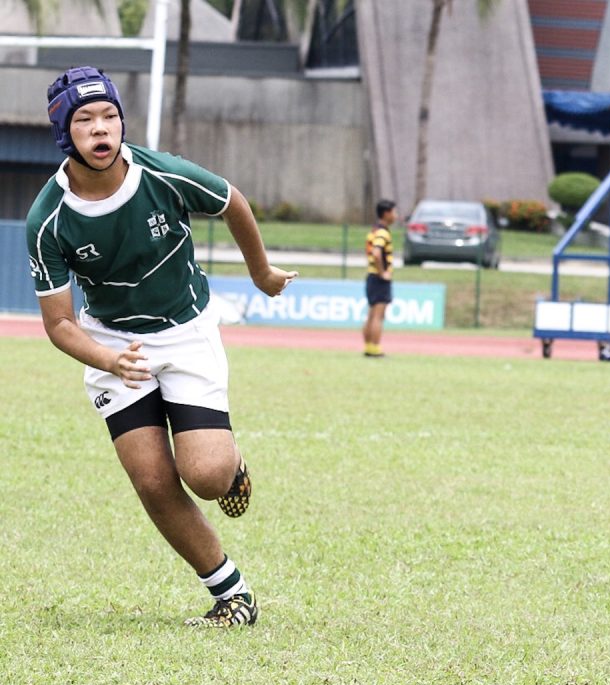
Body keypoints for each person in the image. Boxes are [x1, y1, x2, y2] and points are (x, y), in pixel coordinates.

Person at [26, 66, 297, 628]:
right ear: (63, 132)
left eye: (110, 117)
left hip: (185, 330)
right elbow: (59, 323)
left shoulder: (162, 174)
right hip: (111, 343)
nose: (101, 130)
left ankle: (232, 465)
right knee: (151, 479)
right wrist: (108, 359)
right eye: (85, 120)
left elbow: (233, 203)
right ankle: (232, 595)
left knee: (206, 476)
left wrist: (262, 272)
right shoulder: (48, 219)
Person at [363, 198, 397, 358]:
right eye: (394, 212)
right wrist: (383, 272)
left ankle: (369, 346)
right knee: (378, 315)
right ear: (386, 213)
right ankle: (375, 347)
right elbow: (377, 253)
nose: (396, 215)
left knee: (371, 314)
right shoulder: (383, 232)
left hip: (371, 276)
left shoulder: (373, 230)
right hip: (379, 278)